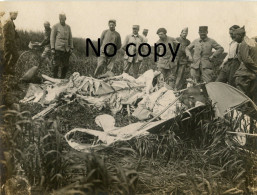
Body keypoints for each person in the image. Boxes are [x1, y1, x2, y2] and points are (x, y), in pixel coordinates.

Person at [233, 26, 257, 101]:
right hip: (253, 74)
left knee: (241, 95)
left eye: (235, 36)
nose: (234, 38)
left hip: (244, 73)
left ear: (240, 35)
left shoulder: (244, 43)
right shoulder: (253, 42)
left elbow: (246, 59)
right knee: (252, 95)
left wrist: (255, 67)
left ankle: (242, 110)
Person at [50, 13, 73, 79]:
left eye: (63, 19)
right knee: (56, 65)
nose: (62, 20)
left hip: (66, 49)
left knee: (66, 65)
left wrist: (71, 47)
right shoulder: (55, 26)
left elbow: (70, 38)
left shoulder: (68, 27)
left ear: (65, 19)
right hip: (58, 49)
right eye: (61, 19)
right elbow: (52, 38)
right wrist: (52, 48)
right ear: (59, 19)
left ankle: (62, 78)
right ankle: (55, 78)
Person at [2, 11, 19, 75]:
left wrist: (17, 37)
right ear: (10, 14)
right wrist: (7, 41)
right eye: (14, 15)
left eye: (16, 15)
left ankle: (8, 68)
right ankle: (4, 71)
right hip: (8, 42)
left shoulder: (11, 22)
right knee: (7, 57)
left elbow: (13, 31)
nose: (16, 16)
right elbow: (4, 31)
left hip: (12, 42)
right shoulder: (8, 21)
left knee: (16, 55)